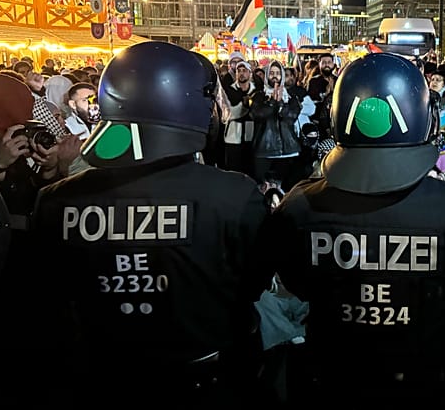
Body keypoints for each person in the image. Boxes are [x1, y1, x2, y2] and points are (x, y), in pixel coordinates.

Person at [29, 41, 276, 407]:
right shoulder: (234, 196)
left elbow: (48, 297)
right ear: (188, 106)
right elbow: (255, 284)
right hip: (210, 381)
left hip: (99, 381)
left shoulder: (55, 201)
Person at [265, 52, 445, 407]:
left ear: (337, 119)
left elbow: (293, 280)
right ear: (426, 120)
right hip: (430, 383)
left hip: (333, 382)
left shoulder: (300, 206)